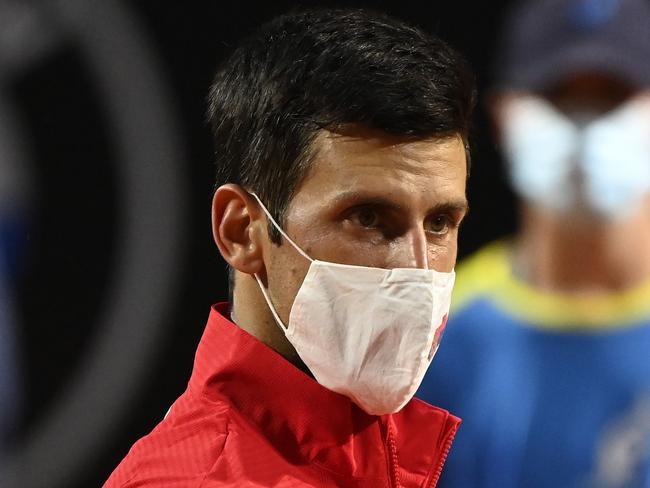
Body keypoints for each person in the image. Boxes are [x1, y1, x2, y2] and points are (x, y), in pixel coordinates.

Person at [104, 8, 476, 487]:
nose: (416, 269)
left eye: (441, 222)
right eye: (367, 219)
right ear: (242, 232)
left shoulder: (382, 453)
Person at [417, 0, 650, 487]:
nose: (584, 125)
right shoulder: (437, 335)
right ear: (504, 116)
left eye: (612, 95)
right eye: (556, 95)